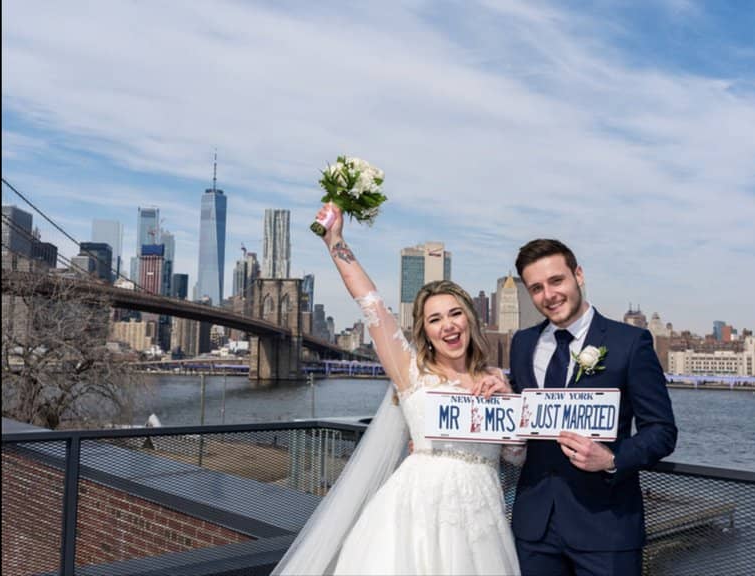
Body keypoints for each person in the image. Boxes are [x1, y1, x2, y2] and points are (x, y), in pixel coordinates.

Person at [272, 203, 521, 575]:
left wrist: (508, 404)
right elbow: (370, 303)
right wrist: (335, 242)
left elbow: (515, 458)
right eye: (435, 319)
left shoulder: (497, 379)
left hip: (482, 520)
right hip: (414, 516)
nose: (448, 326)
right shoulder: (411, 372)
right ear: (426, 332)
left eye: (455, 314)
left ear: (470, 319)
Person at [508, 238, 677, 576]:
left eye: (557, 281)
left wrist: (612, 460)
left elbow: (662, 431)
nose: (549, 295)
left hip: (606, 527)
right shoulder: (522, 343)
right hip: (534, 527)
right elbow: (520, 416)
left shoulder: (629, 342)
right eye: (537, 288)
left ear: (578, 275)